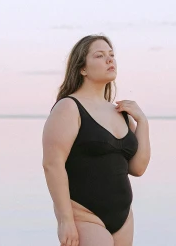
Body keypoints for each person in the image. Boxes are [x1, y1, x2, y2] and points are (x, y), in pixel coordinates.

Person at [42, 35, 151, 246]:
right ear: (82, 68)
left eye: (112, 55)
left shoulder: (121, 112)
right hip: (84, 215)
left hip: (123, 217)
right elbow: (52, 165)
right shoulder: (69, 107)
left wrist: (143, 122)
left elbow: (138, 168)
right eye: (100, 56)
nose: (110, 60)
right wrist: (65, 220)